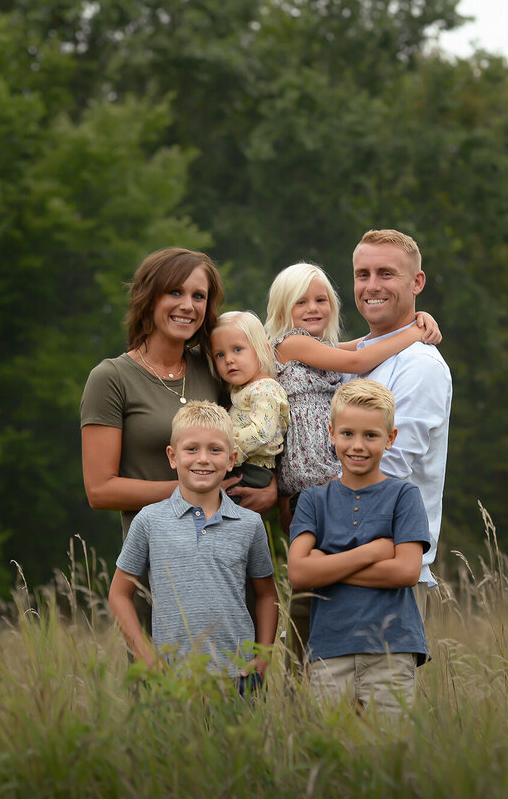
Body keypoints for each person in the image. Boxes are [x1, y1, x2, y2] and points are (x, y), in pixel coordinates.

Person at [81, 247, 276, 627]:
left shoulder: (217, 365)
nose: (188, 305)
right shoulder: (111, 379)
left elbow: (272, 402)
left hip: (230, 570)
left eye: (198, 296)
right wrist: (191, 491)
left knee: (240, 682)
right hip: (159, 567)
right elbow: (100, 490)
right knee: (162, 683)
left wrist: (273, 489)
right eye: (175, 292)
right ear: (148, 297)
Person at [263, 261, 440, 663]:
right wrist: (414, 333)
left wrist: (414, 320)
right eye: (300, 302)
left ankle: (349, 566)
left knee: (330, 568)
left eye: (321, 299)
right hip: (310, 478)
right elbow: (361, 362)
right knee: (310, 575)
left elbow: (361, 346)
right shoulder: (289, 343)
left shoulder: (321, 348)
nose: (313, 308)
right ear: (281, 311)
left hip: (331, 477)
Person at [108, 401, 278, 685]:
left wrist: (263, 656)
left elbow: (266, 594)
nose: (203, 459)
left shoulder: (249, 524)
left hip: (237, 676)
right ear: (172, 457)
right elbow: (118, 594)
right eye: (191, 449)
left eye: (215, 450)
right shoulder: (149, 521)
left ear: (231, 459)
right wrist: (145, 654)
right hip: (172, 680)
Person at [286, 380, 428, 717]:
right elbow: (299, 573)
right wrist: (374, 552)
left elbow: (406, 572)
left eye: (371, 435)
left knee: (387, 756)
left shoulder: (404, 497)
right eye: (347, 434)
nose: (357, 446)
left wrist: (327, 568)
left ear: (390, 439)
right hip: (329, 649)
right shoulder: (313, 500)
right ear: (331, 433)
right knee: (332, 755)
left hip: (392, 650)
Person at [350, 230, 452, 607]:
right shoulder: (355, 358)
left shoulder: (420, 365)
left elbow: (386, 470)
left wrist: (301, 498)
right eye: (363, 274)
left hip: (389, 574)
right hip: (333, 563)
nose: (371, 286)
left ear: (417, 282)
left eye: (386, 274)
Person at [209, 310, 290, 490]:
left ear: (262, 349)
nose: (229, 360)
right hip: (238, 464)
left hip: (252, 470)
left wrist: (222, 452)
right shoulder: (240, 390)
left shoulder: (266, 389)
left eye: (237, 349)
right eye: (220, 355)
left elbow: (261, 433)